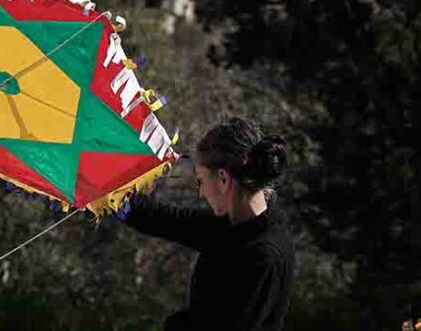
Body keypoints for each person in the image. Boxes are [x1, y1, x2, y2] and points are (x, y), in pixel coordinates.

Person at [124, 117, 295, 331]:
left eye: (201, 181)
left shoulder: (264, 255)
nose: (201, 192)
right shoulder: (233, 224)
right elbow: (164, 220)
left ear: (223, 178)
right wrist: (111, 197)